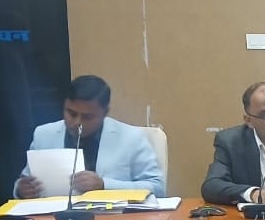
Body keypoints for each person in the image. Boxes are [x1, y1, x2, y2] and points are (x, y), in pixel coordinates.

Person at [14, 74, 165, 198]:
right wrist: (21, 190)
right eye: (71, 113)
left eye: (88, 117)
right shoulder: (43, 135)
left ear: (105, 113)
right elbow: (25, 181)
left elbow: (157, 188)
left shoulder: (131, 138)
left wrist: (104, 185)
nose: (77, 122)